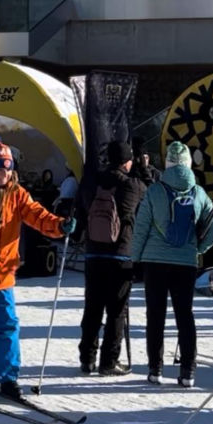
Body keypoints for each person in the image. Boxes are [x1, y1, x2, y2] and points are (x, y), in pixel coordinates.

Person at [0, 136, 75, 401]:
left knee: (8, 325)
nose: (3, 174)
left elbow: (37, 215)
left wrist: (59, 225)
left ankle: (8, 378)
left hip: (3, 274)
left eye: (7, 169)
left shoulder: (17, 194)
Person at [131, 140, 213, 387]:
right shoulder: (199, 193)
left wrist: (135, 257)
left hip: (155, 261)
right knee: (185, 316)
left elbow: (141, 228)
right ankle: (188, 372)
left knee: (155, 315)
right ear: (189, 163)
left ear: (168, 163)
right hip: (185, 263)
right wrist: (197, 249)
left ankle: (155, 369)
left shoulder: (155, 191)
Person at [78, 140, 145, 376]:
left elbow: (81, 207)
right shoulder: (132, 185)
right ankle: (109, 361)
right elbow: (148, 194)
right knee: (116, 310)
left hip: (93, 252)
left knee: (92, 307)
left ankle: (87, 358)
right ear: (127, 161)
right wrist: (144, 169)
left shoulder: (92, 182)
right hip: (120, 254)